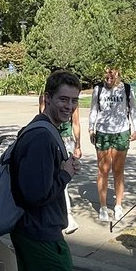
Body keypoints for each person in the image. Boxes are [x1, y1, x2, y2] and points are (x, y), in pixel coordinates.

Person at [11, 70, 81, 271]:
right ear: (47, 98)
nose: (69, 106)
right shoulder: (41, 137)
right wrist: (65, 174)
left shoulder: (44, 129)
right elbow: (36, 195)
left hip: (34, 230)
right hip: (39, 233)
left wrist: (63, 169)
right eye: (63, 99)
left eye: (74, 100)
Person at [88, 66, 136, 223]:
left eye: (112, 71)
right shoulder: (98, 89)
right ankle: (103, 207)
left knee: (118, 170)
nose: (109, 75)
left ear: (118, 72)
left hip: (121, 132)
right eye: (106, 71)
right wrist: (91, 128)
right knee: (103, 170)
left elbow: (133, 110)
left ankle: (118, 205)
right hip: (103, 132)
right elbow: (93, 110)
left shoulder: (126, 89)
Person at [38, 90, 82, 234]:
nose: (69, 104)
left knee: (63, 181)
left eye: (73, 100)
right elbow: (42, 116)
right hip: (52, 138)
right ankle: (65, 216)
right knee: (56, 179)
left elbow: (76, 123)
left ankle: (67, 216)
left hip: (66, 140)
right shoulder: (44, 98)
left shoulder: (72, 104)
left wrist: (78, 145)